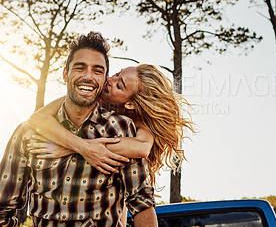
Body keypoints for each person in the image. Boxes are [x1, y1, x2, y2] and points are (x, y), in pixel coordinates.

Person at [0, 32, 157, 226]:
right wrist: (82, 147)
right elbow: (2, 207)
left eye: (98, 71)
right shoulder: (28, 134)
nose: (89, 77)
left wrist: (71, 148)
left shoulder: (124, 128)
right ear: (65, 74)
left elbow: (141, 200)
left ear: (103, 79)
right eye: (80, 68)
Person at [26, 43, 194, 224]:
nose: (110, 80)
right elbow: (36, 119)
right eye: (116, 74)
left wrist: (69, 149)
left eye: (119, 85)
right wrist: (81, 146)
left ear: (130, 104)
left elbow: (142, 147)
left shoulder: (137, 123)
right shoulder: (89, 96)